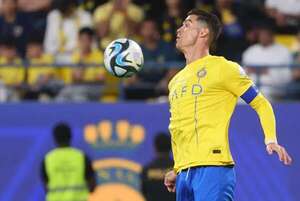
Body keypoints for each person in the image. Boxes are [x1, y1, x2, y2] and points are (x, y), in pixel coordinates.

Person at [164, 9, 292, 201]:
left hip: (213, 169)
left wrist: (270, 139)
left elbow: (261, 103)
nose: (179, 30)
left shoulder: (224, 68)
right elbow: (180, 128)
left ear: (203, 32)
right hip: (184, 174)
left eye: (187, 24)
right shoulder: (175, 81)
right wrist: (178, 168)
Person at [41, 122, 96, 201]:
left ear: (54, 138)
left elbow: (46, 188)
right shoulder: (81, 157)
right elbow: (92, 186)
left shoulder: (47, 159)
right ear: (71, 136)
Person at [242, 25, 292, 101]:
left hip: (272, 85)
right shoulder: (251, 50)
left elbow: (286, 74)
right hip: (251, 81)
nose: (263, 37)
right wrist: (257, 71)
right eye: (261, 35)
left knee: (263, 92)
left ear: (271, 36)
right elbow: (244, 70)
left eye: (265, 35)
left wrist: (267, 71)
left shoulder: (283, 51)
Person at [141, 132, 175, 201]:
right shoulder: (177, 170)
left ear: (155, 148)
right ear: (171, 147)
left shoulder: (147, 170)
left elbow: (144, 192)